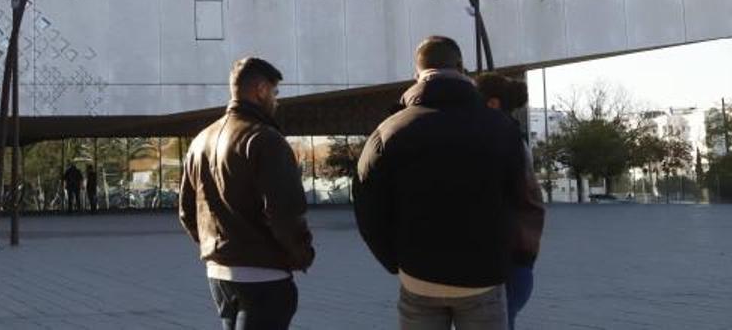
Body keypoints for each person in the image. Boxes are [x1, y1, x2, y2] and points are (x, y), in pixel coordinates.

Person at [353, 37, 540, 330]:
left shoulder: (389, 132)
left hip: (418, 275)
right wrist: (517, 261)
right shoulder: (502, 129)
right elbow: (526, 201)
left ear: (417, 74)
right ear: (461, 68)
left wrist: (395, 260)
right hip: (485, 275)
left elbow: (367, 206)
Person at [180, 56, 314, 330]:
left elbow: (186, 211)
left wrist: (214, 248)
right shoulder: (264, 139)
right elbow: (284, 211)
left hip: (219, 275)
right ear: (261, 90)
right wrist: (301, 253)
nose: (276, 101)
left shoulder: (200, 141)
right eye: (274, 93)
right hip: (263, 275)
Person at [476, 74, 545, 329]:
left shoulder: (504, 142)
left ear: (493, 104)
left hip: (508, 260)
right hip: (517, 260)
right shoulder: (512, 138)